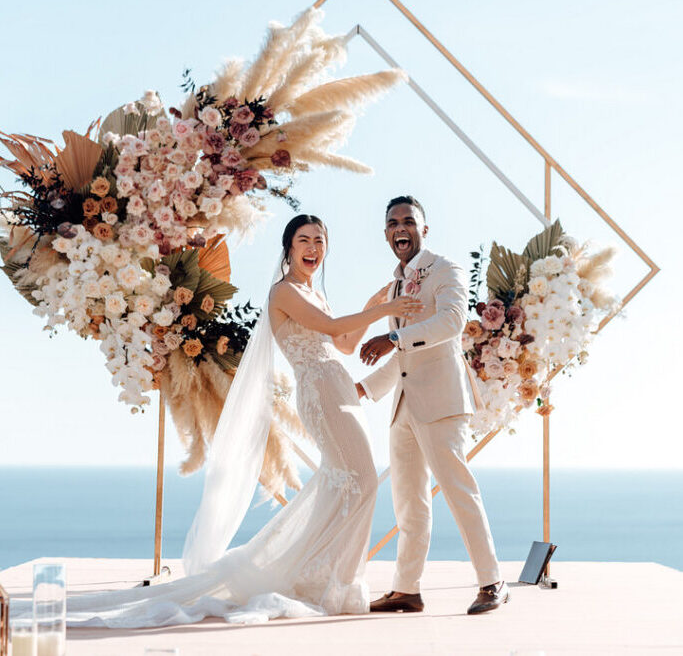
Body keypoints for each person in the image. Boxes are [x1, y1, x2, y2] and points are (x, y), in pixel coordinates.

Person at [10, 214, 422, 627]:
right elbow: (332, 328)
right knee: (361, 480)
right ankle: (335, 583)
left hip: (341, 388)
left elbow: (345, 344)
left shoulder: (315, 293)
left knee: (348, 481)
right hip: (321, 393)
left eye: (319, 239)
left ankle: (334, 580)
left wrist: (374, 305)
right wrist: (388, 306)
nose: (312, 247)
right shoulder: (284, 292)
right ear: (288, 247)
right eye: (303, 240)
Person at [356, 196, 509, 615]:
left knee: (460, 492)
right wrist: (364, 389)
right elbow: (404, 362)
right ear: (386, 233)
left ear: (425, 229)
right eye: (392, 223)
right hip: (404, 407)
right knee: (408, 501)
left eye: (408, 221)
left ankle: (492, 580)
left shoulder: (446, 270)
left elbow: (452, 322)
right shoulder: (393, 285)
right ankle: (406, 588)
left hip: (442, 402)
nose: (400, 228)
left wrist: (391, 339)